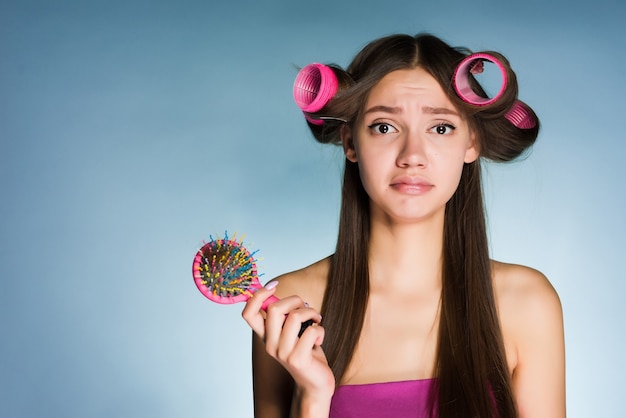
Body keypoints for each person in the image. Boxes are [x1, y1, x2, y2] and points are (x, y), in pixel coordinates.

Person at [242, 33, 565, 418]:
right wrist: (312, 398)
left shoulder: (525, 304)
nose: (412, 156)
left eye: (440, 127)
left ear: (471, 143)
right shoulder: (291, 309)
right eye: (384, 127)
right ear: (350, 143)